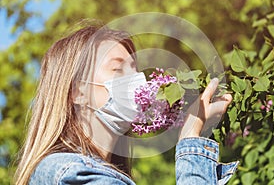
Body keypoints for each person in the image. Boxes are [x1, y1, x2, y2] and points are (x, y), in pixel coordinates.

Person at [15, 22, 238, 185]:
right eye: (117, 69)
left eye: (135, 69)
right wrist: (191, 142)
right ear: (77, 92)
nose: (137, 81)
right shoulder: (70, 172)